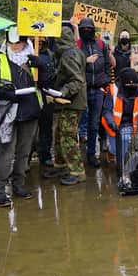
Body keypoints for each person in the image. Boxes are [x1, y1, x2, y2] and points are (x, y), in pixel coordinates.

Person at [0, 27, 51, 206]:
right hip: (7, 112)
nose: (15, 46)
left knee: (24, 153)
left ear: (25, 42)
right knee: (6, 152)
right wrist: (5, 93)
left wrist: (42, 67)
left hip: (30, 111)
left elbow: (45, 84)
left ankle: (19, 184)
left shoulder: (33, 57)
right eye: (12, 43)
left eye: (19, 43)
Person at [42, 24, 87, 185]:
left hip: (71, 102)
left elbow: (77, 80)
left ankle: (77, 171)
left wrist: (62, 92)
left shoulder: (68, 55)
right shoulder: (74, 52)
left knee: (67, 136)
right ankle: (61, 165)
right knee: (59, 135)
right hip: (67, 102)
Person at [77, 17, 112, 168]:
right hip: (82, 90)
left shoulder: (101, 44)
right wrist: (86, 60)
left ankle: (92, 154)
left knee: (94, 124)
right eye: (83, 29)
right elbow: (71, 64)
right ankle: (77, 156)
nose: (86, 31)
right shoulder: (77, 45)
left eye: (89, 29)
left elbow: (107, 65)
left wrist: (104, 84)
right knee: (79, 123)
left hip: (98, 90)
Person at [101, 68, 138, 165]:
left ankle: (120, 166)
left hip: (128, 124)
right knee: (115, 148)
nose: (131, 87)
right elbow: (107, 110)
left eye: (133, 84)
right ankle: (112, 152)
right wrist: (111, 122)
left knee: (124, 144)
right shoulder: (113, 90)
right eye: (128, 84)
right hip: (113, 124)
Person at [34, 36, 56, 167]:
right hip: (30, 95)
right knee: (30, 130)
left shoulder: (50, 55)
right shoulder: (27, 53)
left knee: (46, 127)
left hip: (47, 94)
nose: (40, 43)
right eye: (38, 41)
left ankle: (45, 154)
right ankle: (28, 155)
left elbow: (55, 71)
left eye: (42, 41)